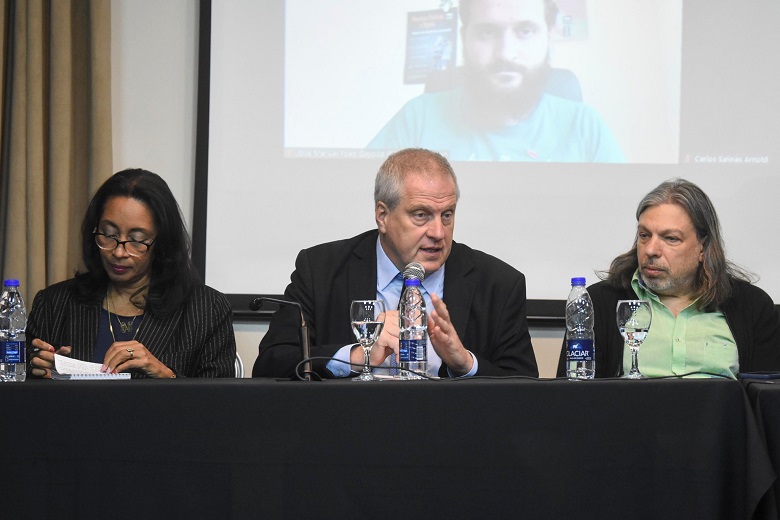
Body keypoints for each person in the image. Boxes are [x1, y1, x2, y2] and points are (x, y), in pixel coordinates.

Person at [253, 148, 537, 379]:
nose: (438, 232)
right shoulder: (320, 271)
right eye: (421, 215)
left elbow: (527, 391)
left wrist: (465, 363)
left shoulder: (498, 284)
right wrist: (359, 355)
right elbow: (270, 364)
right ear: (383, 216)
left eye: (447, 215)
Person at [557, 178, 780, 378]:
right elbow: (572, 397)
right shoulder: (600, 302)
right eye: (644, 235)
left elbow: (766, 399)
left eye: (671, 238)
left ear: (703, 248)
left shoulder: (751, 306)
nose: (651, 249)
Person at [27, 168, 237, 378]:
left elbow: (218, 397)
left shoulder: (207, 310)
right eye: (109, 234)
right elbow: (20, 388)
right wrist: (41, 374)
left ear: (162, 241)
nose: (119, 252)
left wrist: (165, 375)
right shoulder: (54, 304)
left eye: (136, 240)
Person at [367, 0, 624, 162]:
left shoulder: (585, 127)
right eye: (487, 32)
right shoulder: (417, 119)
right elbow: (362, 202)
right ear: (464, 38)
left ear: (548, 38)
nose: (506, 53)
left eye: (525, 31)